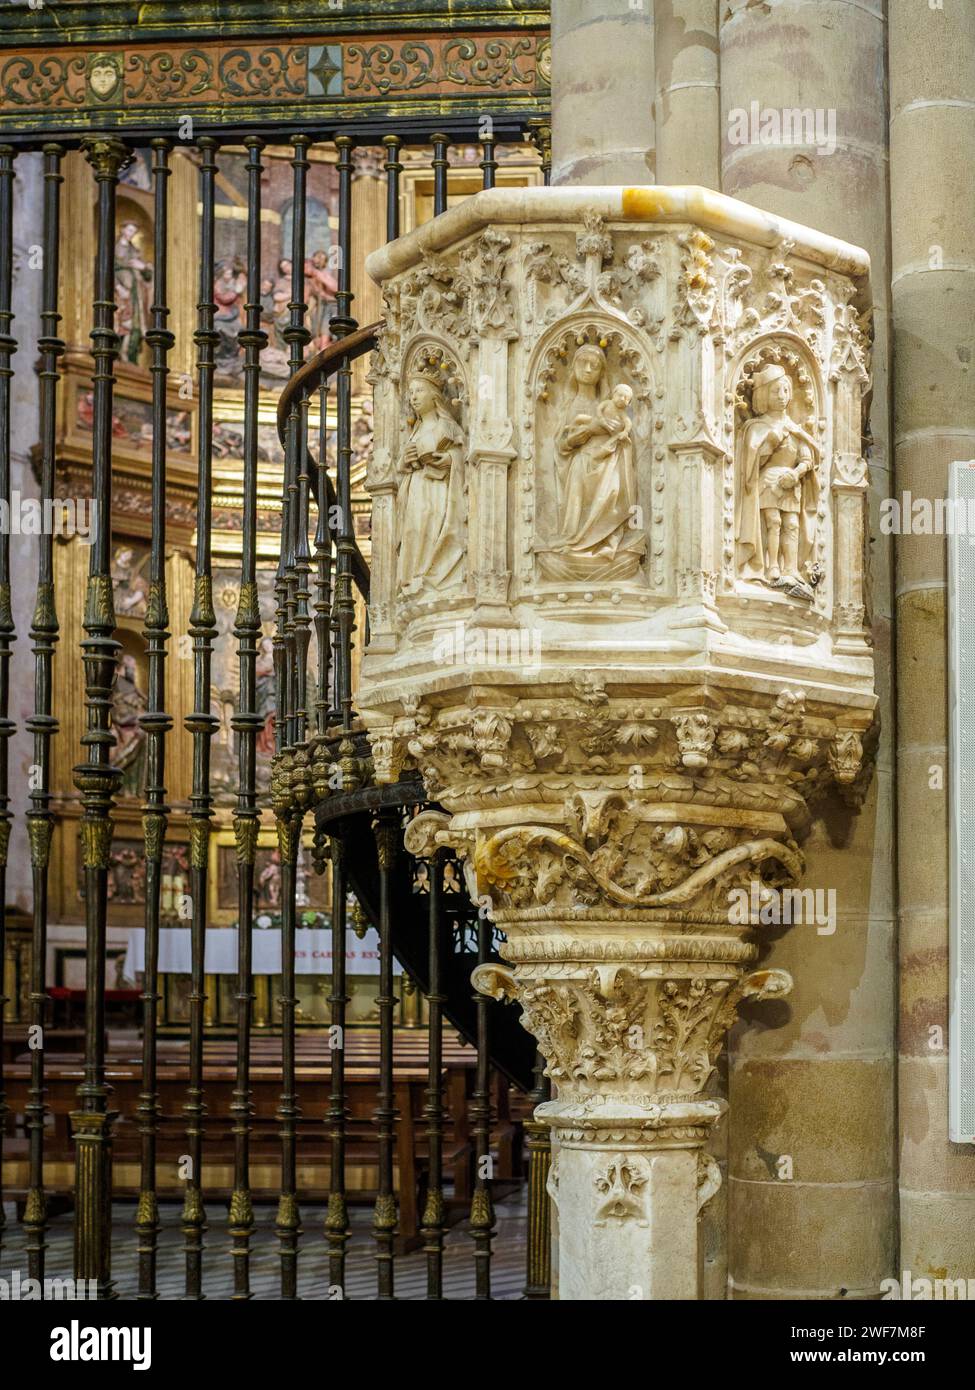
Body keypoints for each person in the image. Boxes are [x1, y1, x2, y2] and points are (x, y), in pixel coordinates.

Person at [537, 344, 645, 581]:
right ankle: (574, 541)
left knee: (613, 493)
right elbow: (562, 444)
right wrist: (588, 432)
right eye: (582, 363)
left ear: (601, 372)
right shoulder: (568, 405)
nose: (587, 369)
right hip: (580, 465)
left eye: (594, 366)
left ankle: (606, 542)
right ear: (573, 367)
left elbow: (625, 434)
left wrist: (615, 435)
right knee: (577, 503)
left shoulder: (609, 404)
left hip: (608, 462)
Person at [734, 362, 819, 593]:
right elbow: (751, 461)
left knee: (791, 524)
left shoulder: (795, 428)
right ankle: (771, 566)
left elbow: (807, 457)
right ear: (763, 395)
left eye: (785, 390)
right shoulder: (756, 426)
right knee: (774, 522)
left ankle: (790, 567)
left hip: (791, 482)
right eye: (775, 391)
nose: (782, 396)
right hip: (768, 481)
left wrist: (797, 473)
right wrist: (771, 440)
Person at [395, 370, 467, 596]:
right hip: (417, 487)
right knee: (415, 529)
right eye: (411, 393)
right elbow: (400, 469)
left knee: (433, 521)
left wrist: (449, 460)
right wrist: (405, 463)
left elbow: (464, 457)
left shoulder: (448, 426)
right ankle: (415, 574)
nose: (413, 397)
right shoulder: (413, 431)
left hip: (439, 489)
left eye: (419, 391)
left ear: (434, 395)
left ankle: (431, 574)